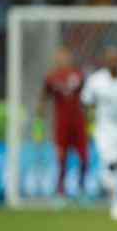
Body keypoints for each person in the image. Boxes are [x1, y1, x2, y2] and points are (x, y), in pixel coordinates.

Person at [81, 46, 117, 220]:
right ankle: (116, 203)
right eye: (110, 59)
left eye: (116, 58)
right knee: (110, 164)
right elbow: (86, 102)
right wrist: (89, 125)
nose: (113, 62)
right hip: (104, 129)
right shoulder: (96, 80)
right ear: (105, 61)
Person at [38, 46, 88, 201]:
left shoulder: (79, 75)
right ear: (56, 59)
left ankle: (81, 188)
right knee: (61, 158)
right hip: (62, 123)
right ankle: (61, 190)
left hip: (78, 122)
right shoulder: (52, 77)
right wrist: (40, 112)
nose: (63, 59)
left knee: (84, 157)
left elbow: (87, 97)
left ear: (70, 58)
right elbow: (44, 96)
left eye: (65, 56)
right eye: (60, 57)